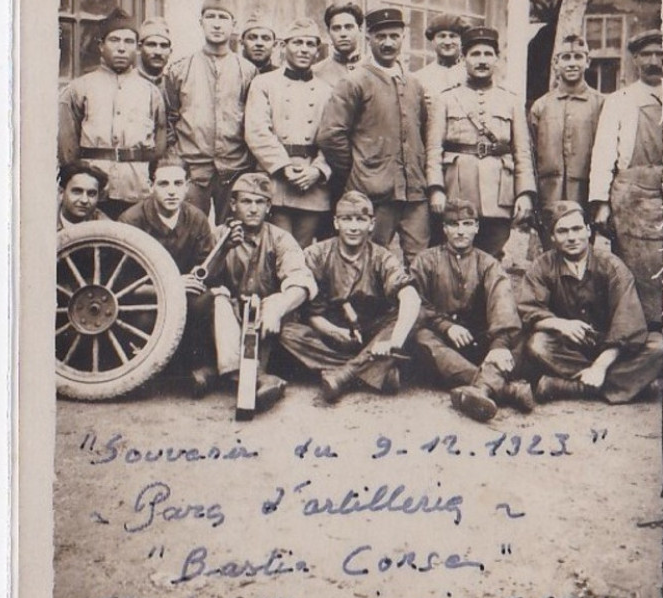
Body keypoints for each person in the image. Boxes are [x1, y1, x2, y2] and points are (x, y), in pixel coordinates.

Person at [279, 191, 421, 403]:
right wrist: (333, 331)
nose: (354, 227)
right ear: (336, 223)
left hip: (371, 335)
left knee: (414, 317)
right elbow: (310, 313)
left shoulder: (381, 257)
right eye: (347, 219)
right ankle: (375, 371)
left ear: (371, 224)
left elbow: (411, 297)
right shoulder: (316, 254)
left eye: (360, 220)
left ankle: (343, 375)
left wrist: (394, 343)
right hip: (329, 332)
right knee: (287, 332)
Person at [518, 201, 663, 403]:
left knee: (658, 346)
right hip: (571, 346)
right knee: (537, 344)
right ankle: (633, 384)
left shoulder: (612, 266)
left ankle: (566, 387)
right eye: (562, 231)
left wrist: (600, 366)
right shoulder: (542, 266)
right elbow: (528, 310)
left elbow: (627, 324)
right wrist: (560, 324)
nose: (571, 237)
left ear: (588, 231)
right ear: (552, 237)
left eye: (577, 229)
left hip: (610, 347)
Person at [318, 6, 430, 261]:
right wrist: (359, 167)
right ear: (368, 38)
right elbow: (330, 135)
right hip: (373, 192)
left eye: (394, 36)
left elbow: (421, 129)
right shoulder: (355, 81)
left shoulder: (414, 84)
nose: (388, 43)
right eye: (381, 37)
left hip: (414, 191)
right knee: (372, 258)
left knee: (420, 260)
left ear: (404, 37)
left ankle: (414, 302)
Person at [410, 199, 533, 422]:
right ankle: (503, 389)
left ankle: (481, 388)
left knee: (518, 337)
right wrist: (446, 326)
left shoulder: (488, 263)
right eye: (453, 225)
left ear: (476, 227)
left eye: (467, 224)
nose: (460, 232)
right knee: (419, 338)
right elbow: (417, 304)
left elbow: (502, 304)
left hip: (479, 343)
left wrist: (498, 345)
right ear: (444, 228)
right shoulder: (425, 261)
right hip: (444, 344)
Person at [207, 173, 317, 411]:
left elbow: (301, 281)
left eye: (260, 203)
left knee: (285, 317)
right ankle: (257, 379)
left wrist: (278, 307)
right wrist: (223, 251)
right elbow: (202, 280)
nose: (253, 209)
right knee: (218, 300)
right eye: (246, 202)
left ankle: (224, 376)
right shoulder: (216, 236)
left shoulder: (280, 238)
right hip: (226, 321)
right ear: (233, 204)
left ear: (269, 207)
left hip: (264, 321)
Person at [426, 25, 536, 259]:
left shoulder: (512, 101)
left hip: (499, 194)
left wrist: (525, 193)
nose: (482, 60)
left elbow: (522, 152)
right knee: (452, 256)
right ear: (463, 58)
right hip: (456, 189)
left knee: (491, 258)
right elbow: (433, 150)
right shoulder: (445, 99)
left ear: (497, 59)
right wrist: (436, 189)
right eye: (475, 54)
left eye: (488, 54)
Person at [118, 159, 219, 394]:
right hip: (146, 297)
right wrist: (171, 285)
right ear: (150, 185)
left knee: (206, 301)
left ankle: (195, 367)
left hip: (184, 296)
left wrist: (197, 279)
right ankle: (152, 371)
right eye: (163, 184)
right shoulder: (131, 221)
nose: (172, 191)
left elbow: (205, 268)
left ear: (187, 186)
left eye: (178, 183)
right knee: (143, 320)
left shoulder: (197, 218)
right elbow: (122, 284)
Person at [58, 8, 167, 219]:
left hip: (136, 189)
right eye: (114, 40)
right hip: (93, 192)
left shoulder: (150, 92)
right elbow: (67, 149)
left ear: (137, 47)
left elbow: (158, 148)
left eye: (128, 42)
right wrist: (81, 182)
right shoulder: (79, 88)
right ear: (101, 46)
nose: (121, 48)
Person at [589, 30, 663, 326]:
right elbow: (603, 152)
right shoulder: (620, 100)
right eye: (647, 55)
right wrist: (601, 202)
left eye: (659, 54)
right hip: (631, 194)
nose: (654, 60)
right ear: (635, 60)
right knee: (638, 268)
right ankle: (643, 332)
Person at [163, 0, 257, 224]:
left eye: (223, 18)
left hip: (235, 169)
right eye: (211, 17)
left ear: (233, 24)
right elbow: (169, 119)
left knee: (233, 234)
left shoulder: (247, 71)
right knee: (189, 230)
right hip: (193, 170)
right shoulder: (179, 70)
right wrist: (178, 160)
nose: (217, 24)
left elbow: (254, 121)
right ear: (201, 22)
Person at [245, 18, 332, 247]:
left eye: (310, 44)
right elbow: (257, 131)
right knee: (277, 249)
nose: (304, 49)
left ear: (317, 51)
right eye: (297, 42)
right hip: (276, 181)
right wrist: (284, 168)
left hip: (311, 184)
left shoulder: (327, 91)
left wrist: (318, 170)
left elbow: (334, 139)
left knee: (303, 251)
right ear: (283, 47)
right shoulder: (264, 84)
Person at [528, 34, 604, 234]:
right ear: (556, 63)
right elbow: (530, 155)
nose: (572, 64)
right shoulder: (541, 106)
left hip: (586, 196)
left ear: (587, 62)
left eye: (578, 57)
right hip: (548, 197)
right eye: (566, 58)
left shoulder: (602, 104)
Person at [415, 13, 467, 101]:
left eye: (453, 36)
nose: (447, 42)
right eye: (442, 36)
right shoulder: (419, 78)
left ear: (462, 41)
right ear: (433, 41)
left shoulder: (470, 74)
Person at [314, 2, 363, 88]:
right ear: (328, 32)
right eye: (336, 28)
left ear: (360, 30)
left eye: (348, 27)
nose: (343, 34)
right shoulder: (316, 73)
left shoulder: (374, 69)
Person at [57, 161, 108, 228]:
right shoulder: (44, 220)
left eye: (91, 194)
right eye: (77, 192)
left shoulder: (105, 226)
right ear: (61, 193)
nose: (84, 200)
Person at [137, 17, 173, 86]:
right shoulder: (126, 84)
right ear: (139, 48)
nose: (158, 52)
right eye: (151, 45)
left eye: (164, 46)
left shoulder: (172, 86)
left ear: (170, 51)